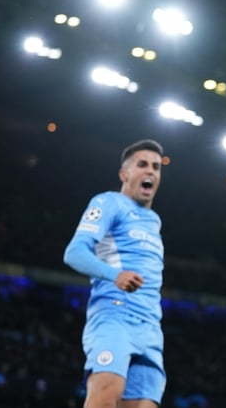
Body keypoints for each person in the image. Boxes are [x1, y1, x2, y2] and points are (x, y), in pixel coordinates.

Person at [63, 139, 167, 408]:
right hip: (115, 314)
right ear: (124, 174)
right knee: (106, 395)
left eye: (156, 167)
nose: (150, 172)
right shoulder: (109, 202)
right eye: (142, 165)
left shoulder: (154, 221)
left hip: (150, 327)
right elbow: (74, 252)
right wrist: (114, 275)